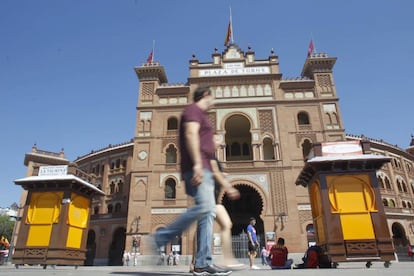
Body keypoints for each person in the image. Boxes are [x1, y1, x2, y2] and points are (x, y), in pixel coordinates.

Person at [154, 86, 231, 276]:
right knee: (205, 209)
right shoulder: (193, 110)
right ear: (205, 95)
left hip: (203, 168)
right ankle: (162, 236)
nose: (214, 101)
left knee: (207, 215)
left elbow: (204, 144)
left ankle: (203, 263)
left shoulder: (203, 115)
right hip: (198, 169)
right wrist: (197, 164)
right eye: (212, 97)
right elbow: (190, 134)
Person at [189, 135, 244, 272]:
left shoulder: (211, 156)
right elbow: (214, 172)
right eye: (217, 139)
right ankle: (202, 263)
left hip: (212, 199)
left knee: (222, 225)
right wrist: (229, 187)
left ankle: (219, 260)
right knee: (210, 226)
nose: (220, 142)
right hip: (205, 197)